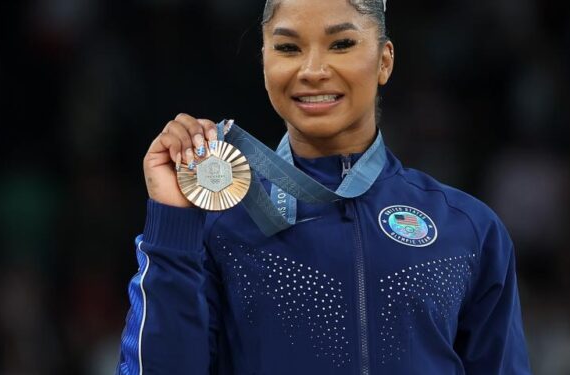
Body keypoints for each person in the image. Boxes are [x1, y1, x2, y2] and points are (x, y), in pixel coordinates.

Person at [116, 0, 532, 374]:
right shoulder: (218, 225)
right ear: (264, 63)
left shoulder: (468, 229)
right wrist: (172, 221)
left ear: (385, 61)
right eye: (288, 48)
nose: (312, 70)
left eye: (341, 44)